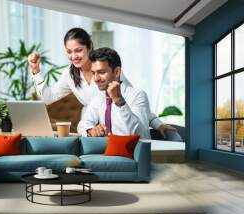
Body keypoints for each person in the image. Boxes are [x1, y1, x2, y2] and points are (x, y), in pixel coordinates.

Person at [28, 27, 175, 137]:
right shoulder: (69, 74)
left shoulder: (107, 68)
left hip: (119, 126)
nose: (73, 56)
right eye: (69, 51)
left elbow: (131, 99)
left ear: (89, 46)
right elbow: (47, 98)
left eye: (78, 50)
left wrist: (156, 123)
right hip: (91, 127)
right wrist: (36, 71)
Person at [77, 47, 150, 138]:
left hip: (133, 151)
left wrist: (119, 100)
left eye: (101, 72)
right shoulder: (98, 98)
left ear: (116, 72)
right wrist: (91, 130)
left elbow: (139, 134)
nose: (96, 78)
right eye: (93, 73)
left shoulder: (138, 95)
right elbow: (82, 125)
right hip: (106, 150)